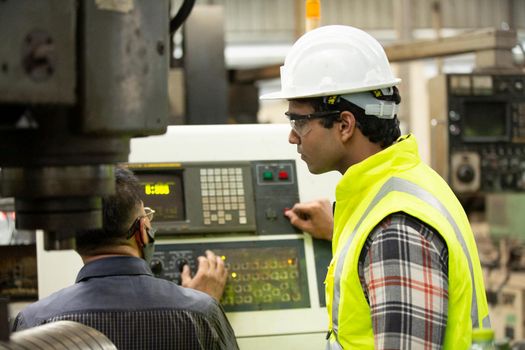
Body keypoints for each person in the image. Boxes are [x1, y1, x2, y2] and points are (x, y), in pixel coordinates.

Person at [261, 25, 490, 349]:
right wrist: (342, 225)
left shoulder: (394, 230)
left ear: (344, 125)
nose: (292, 136)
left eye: (299, 121)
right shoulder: (406, 185)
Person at [12, 166, 239, 350]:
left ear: (71, 240)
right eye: (147, 216)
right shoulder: (201, 312)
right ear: (142, 230)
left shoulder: (34, 322)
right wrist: (201, 303)